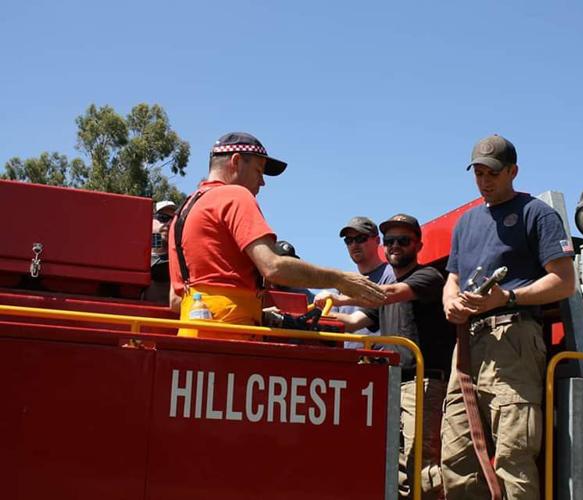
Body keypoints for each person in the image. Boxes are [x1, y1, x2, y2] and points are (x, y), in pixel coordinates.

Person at [440, 134, 576, 499]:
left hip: (513, 340)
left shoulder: (537, 214)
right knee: (456, 457)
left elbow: (564, 282)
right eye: (479, 173)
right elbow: (452, 278)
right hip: (467, 345)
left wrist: (509, 297)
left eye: (493, 173)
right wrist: (450, 301)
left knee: (513, 456)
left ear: (513, 171)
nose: (484, 181)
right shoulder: (466, 222)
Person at [167, 131, 385, 339]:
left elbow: (176, 300)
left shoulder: (183, 213)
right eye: (258, 171)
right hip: (233, 339)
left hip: (192, 333)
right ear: (235, 161)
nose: (262, 182)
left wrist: (259, 314)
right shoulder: (234, 195)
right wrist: (340, 279)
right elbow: (273, 267)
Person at [318, 214, 455, 500]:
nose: (395, 246)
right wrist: (315, 316)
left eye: (403, 240)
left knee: (422, 466)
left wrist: (341, 295)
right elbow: (355, 322)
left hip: (423, 385)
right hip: (392, 386)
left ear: (418, 244)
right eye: (390, 240)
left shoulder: (428, 277)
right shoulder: (381, 295)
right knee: (395, 466)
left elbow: (389, 293)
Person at [337, 216, 395, 348]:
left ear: (378, 240)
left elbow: (353, 322)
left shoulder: (392, 276)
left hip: (378, 363)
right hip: (348, 364)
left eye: (360, 239)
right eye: (349, 241)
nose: (354, 245)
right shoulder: (343, 284)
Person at [142, 200, 176, 303]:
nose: (169, 223)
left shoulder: (178, 259)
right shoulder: (134, 254)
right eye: (163, 218)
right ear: (151, 220)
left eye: (174, 220)